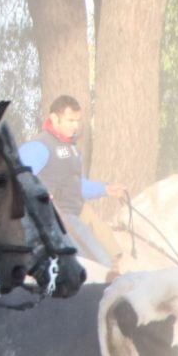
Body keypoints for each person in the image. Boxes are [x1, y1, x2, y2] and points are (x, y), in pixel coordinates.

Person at [17, 95, 125, 267]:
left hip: (75, 211)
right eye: (70, 120)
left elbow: (77, 185)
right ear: (54, 118)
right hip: (55, 217)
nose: (75, 126)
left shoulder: (72, 149)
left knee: (113, 256)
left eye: (77, 121)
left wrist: (105, 189)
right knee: (99, 263)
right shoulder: (39, 147)